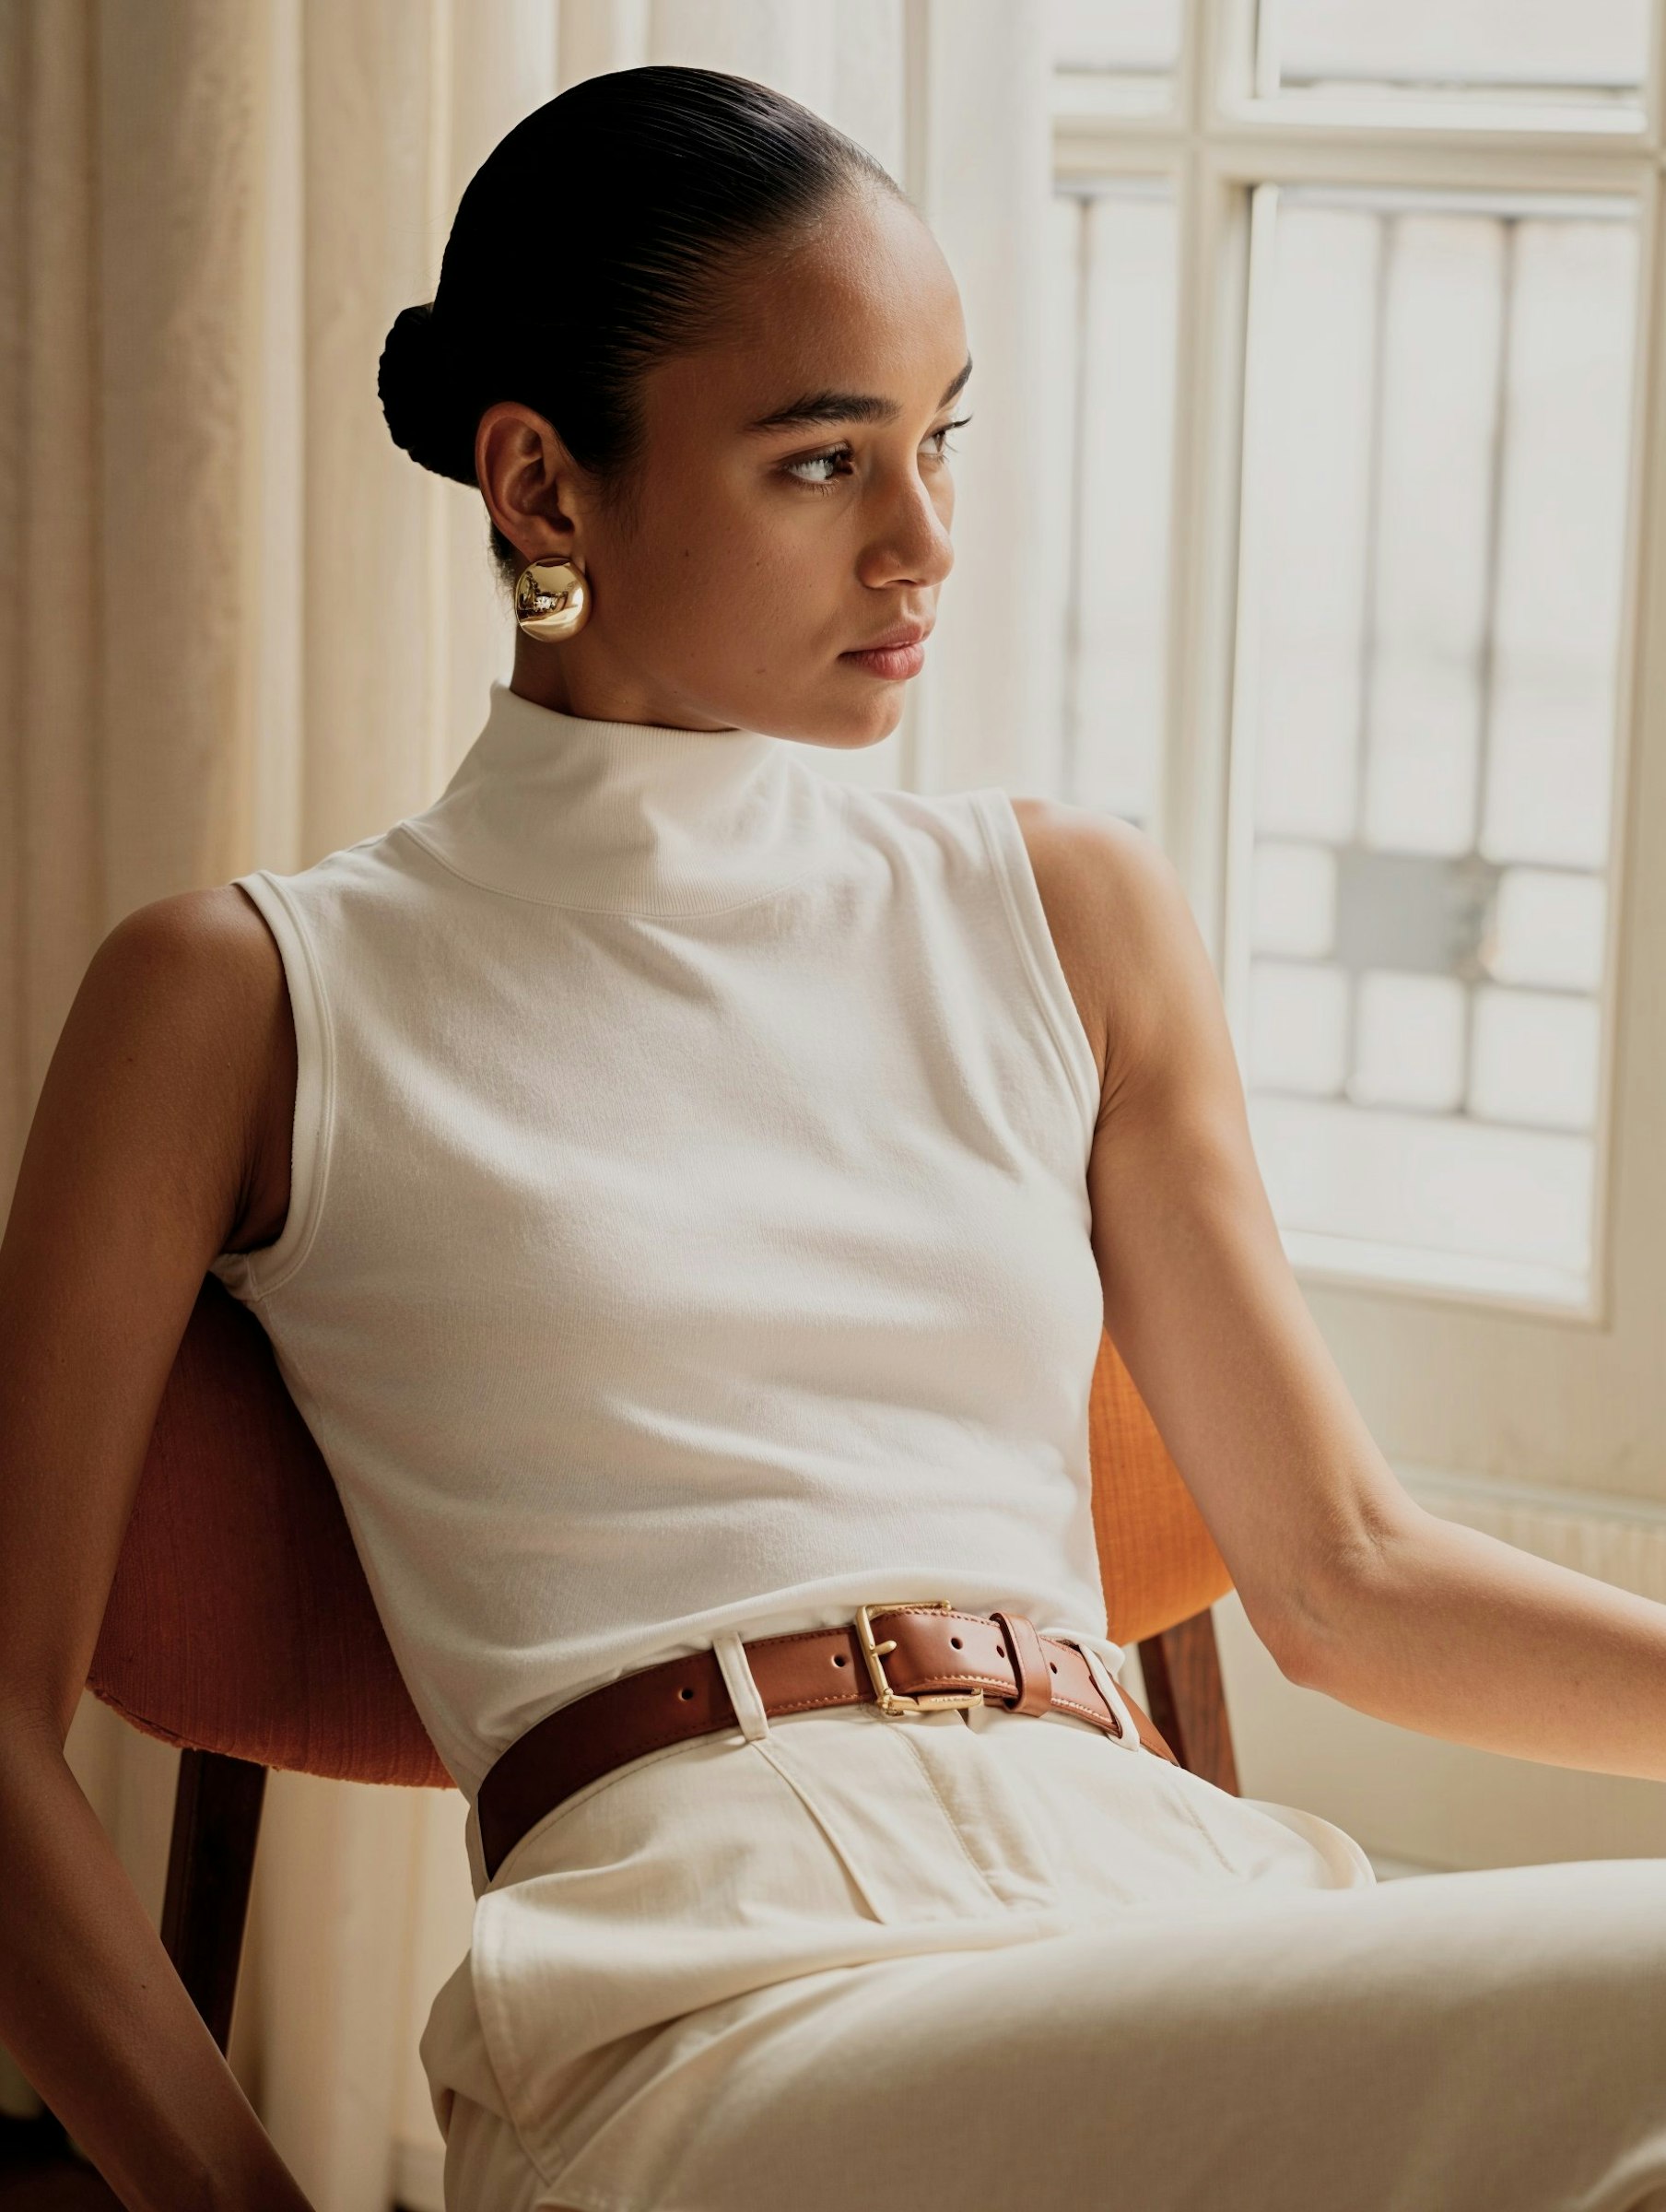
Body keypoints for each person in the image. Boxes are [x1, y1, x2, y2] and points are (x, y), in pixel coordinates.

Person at [1, 60, 1663, 2212]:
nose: (924, 540)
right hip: (714, 2026)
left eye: (938, 437)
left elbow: (1345, 1583)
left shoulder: (1059, 912)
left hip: (1168, 1920)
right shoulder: (246, 996)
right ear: (542, 490)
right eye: (820, 461)